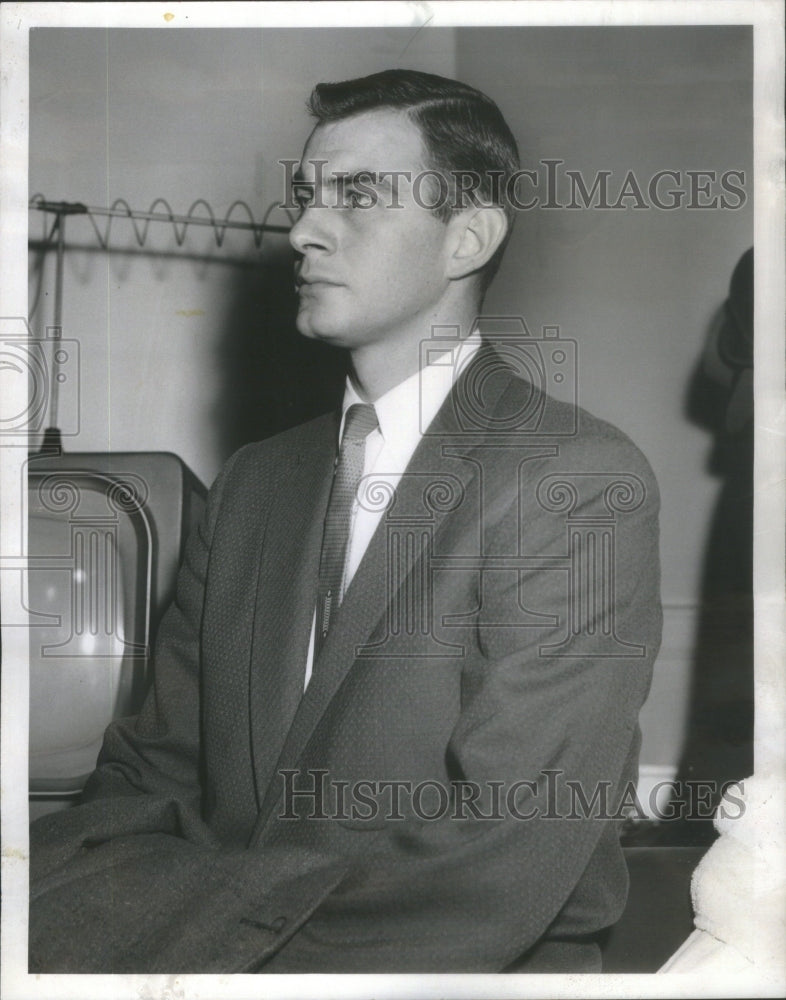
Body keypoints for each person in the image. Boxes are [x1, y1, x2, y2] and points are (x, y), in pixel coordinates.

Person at [29, 69, 661, 974]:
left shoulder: (576, 480)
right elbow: (147, 780)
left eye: (357, 195)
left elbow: (495, 871)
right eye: (306, 195)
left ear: (468, 238)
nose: (301, 230)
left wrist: (179, 937)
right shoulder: (253, 483)